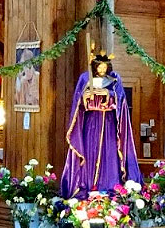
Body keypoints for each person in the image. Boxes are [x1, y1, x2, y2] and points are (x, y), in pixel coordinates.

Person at [61, 52, 143, 197]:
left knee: (109, 152)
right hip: (91, 122)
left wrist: (108, 94)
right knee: (90, 151)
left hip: (109, 123)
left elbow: (121, 99)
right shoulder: (85, 79)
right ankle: (87, 184)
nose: (102, 70)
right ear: (95, 66)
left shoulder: (114, 79)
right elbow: (78, 103)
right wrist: (85, 98)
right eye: (100, 67)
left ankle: (109, 184)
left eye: (105, 66)